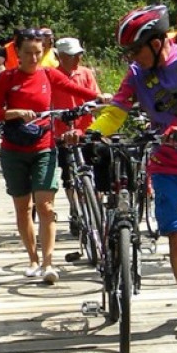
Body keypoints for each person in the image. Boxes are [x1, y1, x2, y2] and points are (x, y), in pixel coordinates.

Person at [88, 5, 177, 340]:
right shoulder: (138, 73)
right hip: (165, 165)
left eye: (134, 50)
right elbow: (117, 109)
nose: (131, 58)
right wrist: (92, 134)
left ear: (156, 42)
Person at [0, 28, 103, 284]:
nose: (33, 58)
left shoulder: (49, 74)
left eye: (38, 53)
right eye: (27, 53)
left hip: (44, 146)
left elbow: (76, 89)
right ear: (17, 52)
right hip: (14, 150)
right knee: (23, 207)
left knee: (46, 206)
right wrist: (16, 112)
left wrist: (101, 98)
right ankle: (32, 258)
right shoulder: (7, 78)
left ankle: (49, 262)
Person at [51, 37, 107, 244]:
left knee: (96, 166)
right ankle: (75, 210)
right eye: (72, 56)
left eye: (79, 55)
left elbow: (97, 97)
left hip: (86, 130)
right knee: (68, 173)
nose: (77, 59)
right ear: (60, 57)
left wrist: (99, 104)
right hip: (62, 132)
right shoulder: (53, 76)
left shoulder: (85, 73)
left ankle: (95, 205)